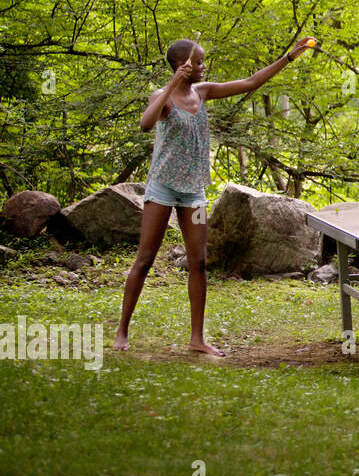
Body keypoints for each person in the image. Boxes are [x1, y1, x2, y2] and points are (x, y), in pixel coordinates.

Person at [113, 36, 316, 355]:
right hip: (163, 188)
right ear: (183, 66)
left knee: (200, 261)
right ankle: (122, 332)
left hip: (192, 192)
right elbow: (145, 123)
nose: (204, 67)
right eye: (199, 62)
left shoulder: (202, 93)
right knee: (145, 259)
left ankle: (197, 339)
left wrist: (289, 57)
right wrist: (170, 84)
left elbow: (250, 82)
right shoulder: (162, 97)